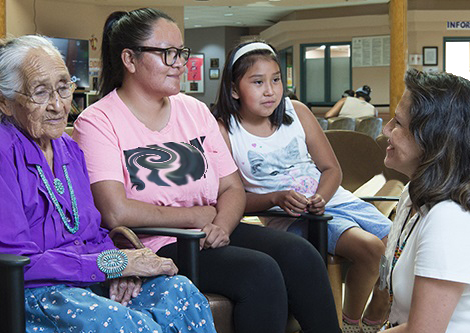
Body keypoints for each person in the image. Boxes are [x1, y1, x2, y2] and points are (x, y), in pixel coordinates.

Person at [72, 8, 340, 333]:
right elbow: (115, 211)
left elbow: (231, 187)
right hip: (156, 243)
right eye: (168, 54)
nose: (180, 63)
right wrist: (195, 217)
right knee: (259, 272)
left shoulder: (195, 110)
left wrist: (222, 226)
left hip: (210, 232)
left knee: (301, 254)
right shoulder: (98, 121)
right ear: (130, 59)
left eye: (181, 53)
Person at [0, 35, 215, 333]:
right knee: (124, 324)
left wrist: (120, 269)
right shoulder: (3, 152)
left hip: (86, 283)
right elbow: (17, 262)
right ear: (5, 103)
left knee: (179, 292)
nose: (57, 105)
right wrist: (111, 264)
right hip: (32, 295)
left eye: (63, 88)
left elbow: (92, 231)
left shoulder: (68, 147)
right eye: (40, 92)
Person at [212, 40, 392, 333]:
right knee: (371, 248)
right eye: (257, 82)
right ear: (234, 89)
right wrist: (274, 197)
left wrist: (320, 196)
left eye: (276, 80)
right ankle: (349, 324)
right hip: (293, 219)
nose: (270, 90)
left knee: (396, 248)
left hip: (333, 200)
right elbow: (230, 197)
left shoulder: (296, 111)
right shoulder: (224, 129)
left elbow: (332, 169)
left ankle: (373, 319)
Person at [381, 69, 470, 332]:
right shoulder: (413, 192)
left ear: (431, 137)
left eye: (397, 123)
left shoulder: (450, 217)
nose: (386, 129)